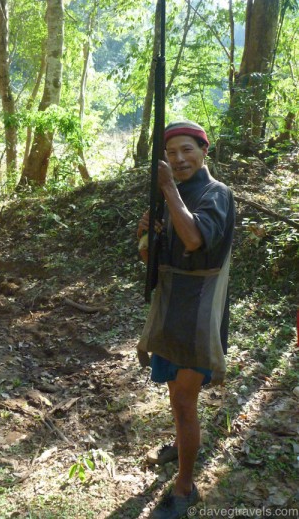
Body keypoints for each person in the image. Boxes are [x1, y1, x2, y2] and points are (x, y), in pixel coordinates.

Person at [137, 120, 235, 519]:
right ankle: (181, 448)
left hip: (199, 311)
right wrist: (146, 235)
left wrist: (167, 190)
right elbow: (152, 258)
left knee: (184, 400)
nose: (179, 159)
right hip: (169, 306)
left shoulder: (217, 194)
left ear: (203, 152)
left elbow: (195, 239)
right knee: (175, 396)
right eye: (171, 153)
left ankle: (185, 486)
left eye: (187, 151)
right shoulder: (172, 195)